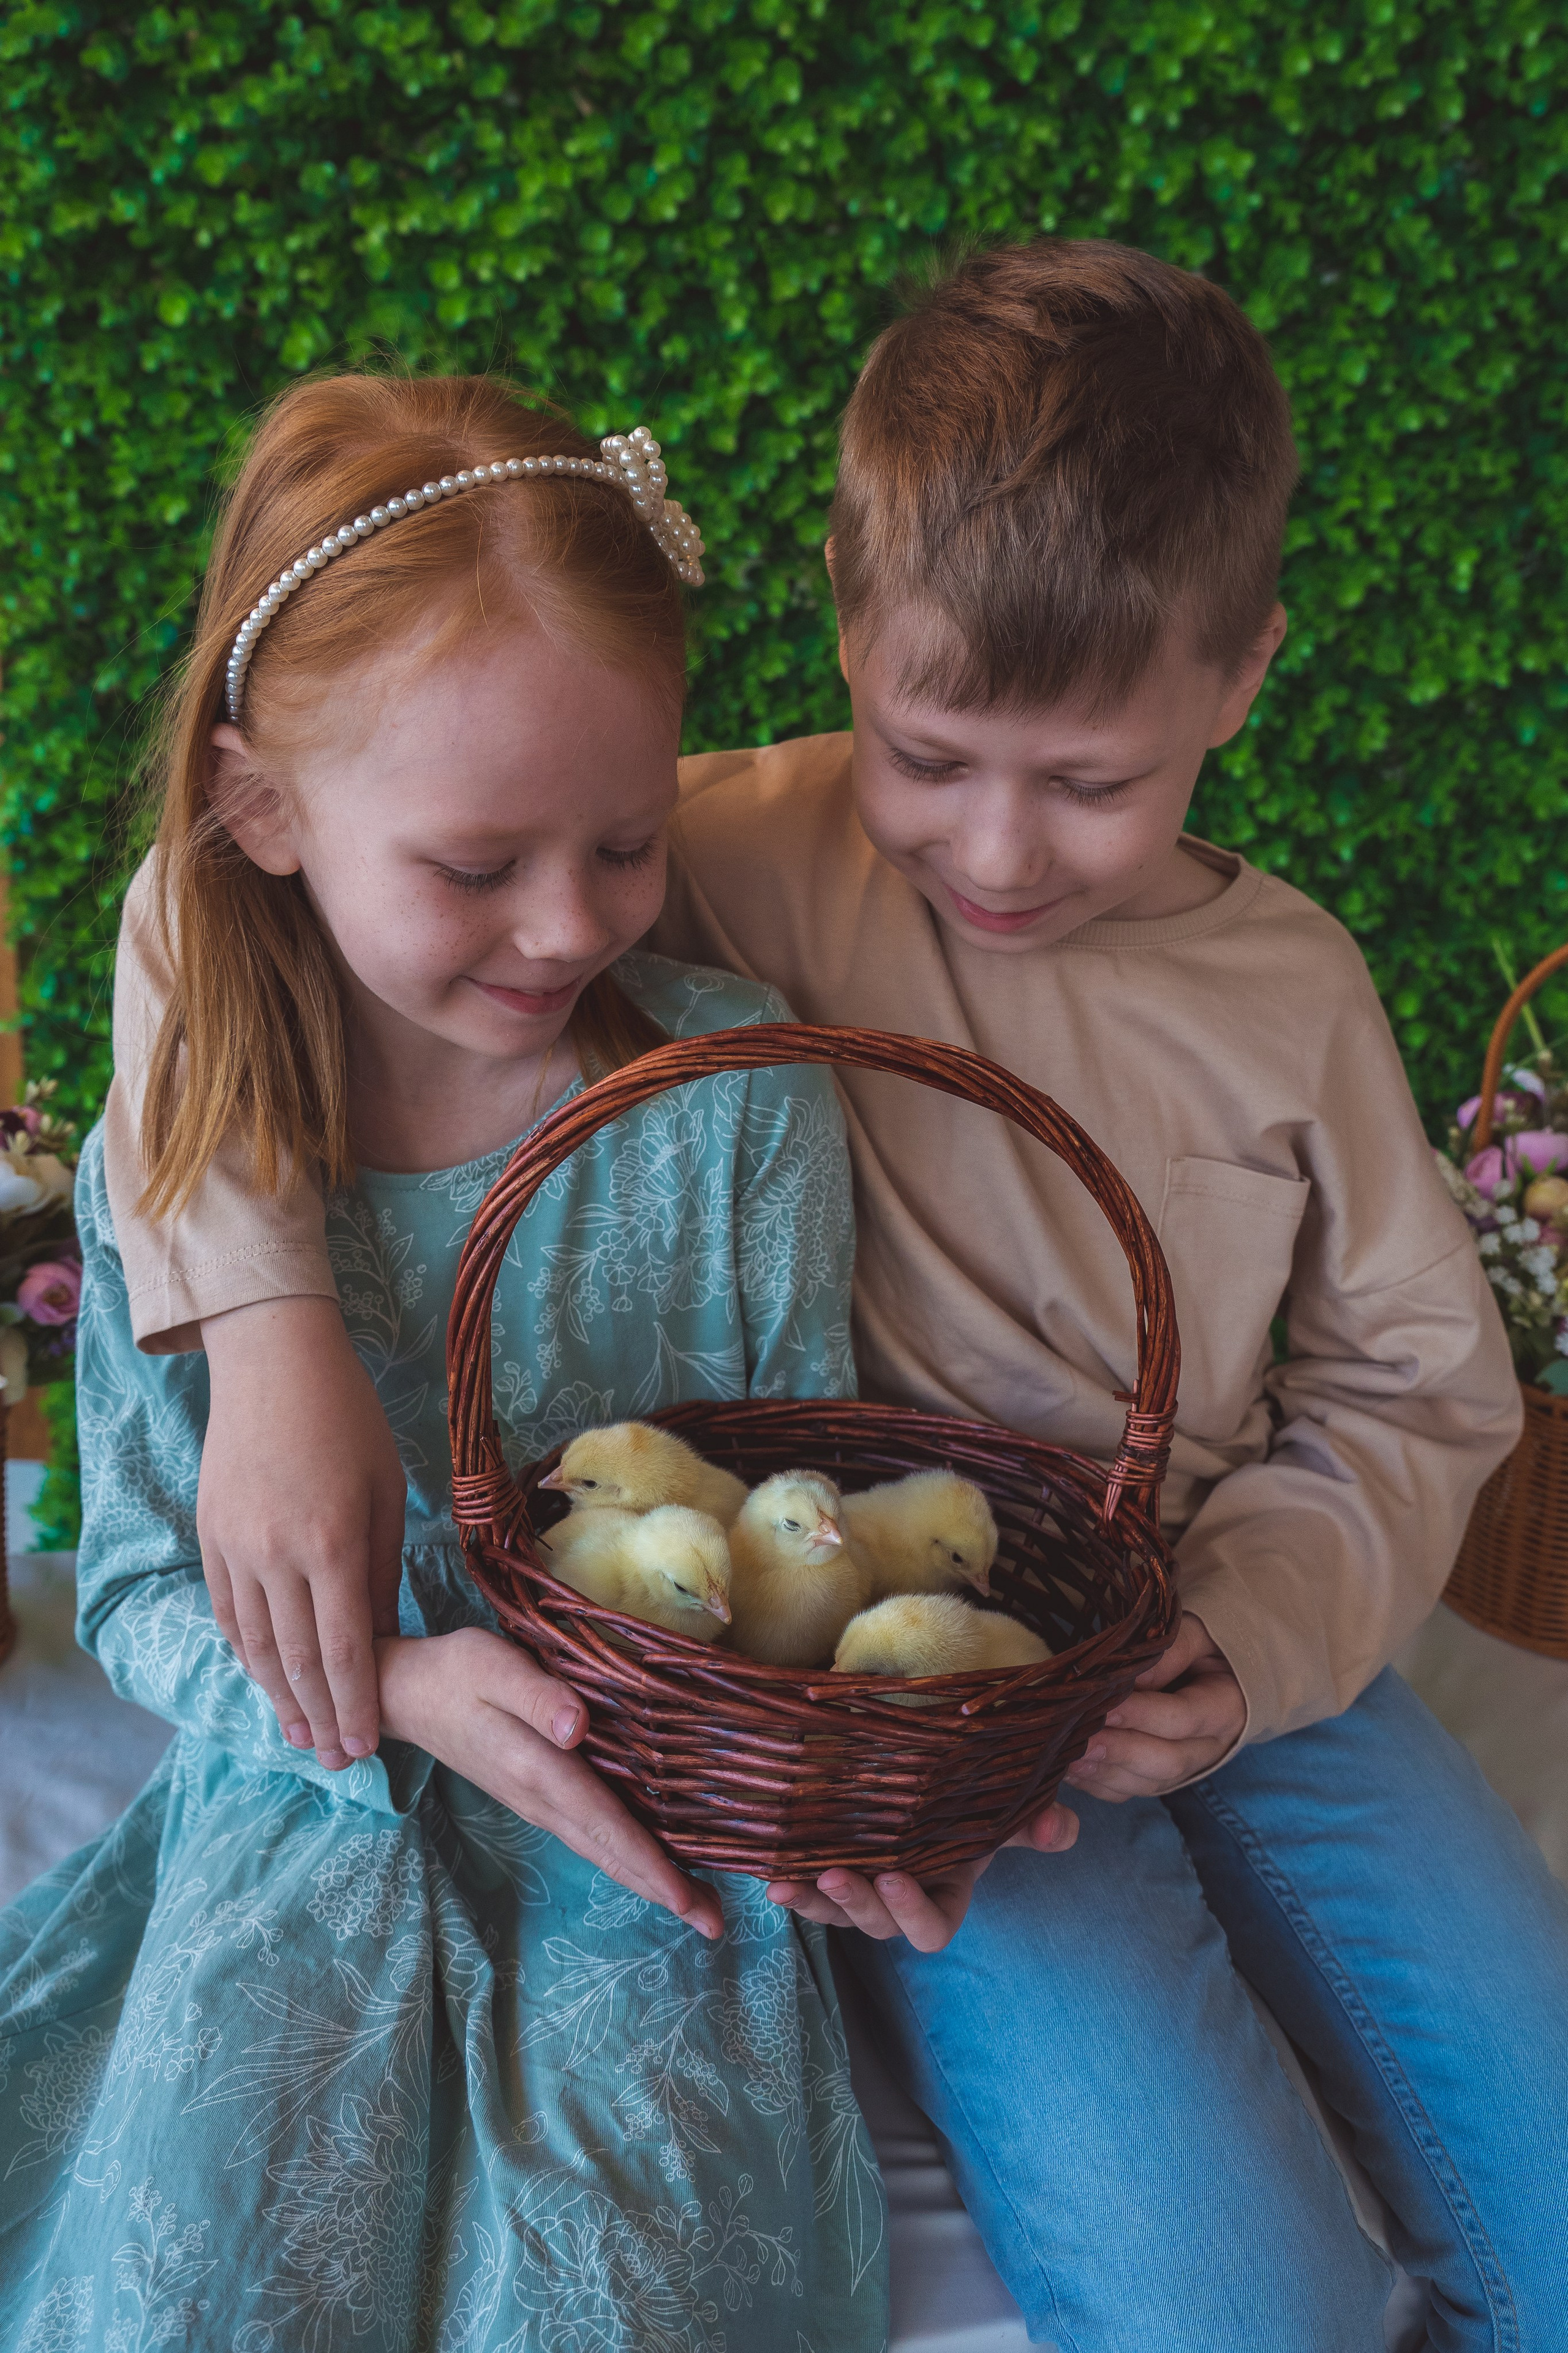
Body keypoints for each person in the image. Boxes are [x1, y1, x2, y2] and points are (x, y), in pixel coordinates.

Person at [94, 246, 1568, 2348]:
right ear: (853, 629)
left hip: (1231, 1632)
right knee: (1222, 2302)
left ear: (1240, 677)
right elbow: (209, 892)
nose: (1000, 846)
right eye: (933, 747)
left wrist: (1256, 1641)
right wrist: (267, 1332)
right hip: (909, 1687)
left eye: (1098, 779)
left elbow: (1418, 1389)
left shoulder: (1295, 992)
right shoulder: (706, 845)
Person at [0, 371, 905, 2352]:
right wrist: (386, 1685)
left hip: (647, 1826)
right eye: (478, 865)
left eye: (627, 840)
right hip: (314, 1798)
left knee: (624, 2287)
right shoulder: (188, 1155)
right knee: (212, 2273)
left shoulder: (736, 1106)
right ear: (265, 811)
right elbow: (146, 1584)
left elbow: (798, 1526)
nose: (569, 921)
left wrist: (825, 1762)